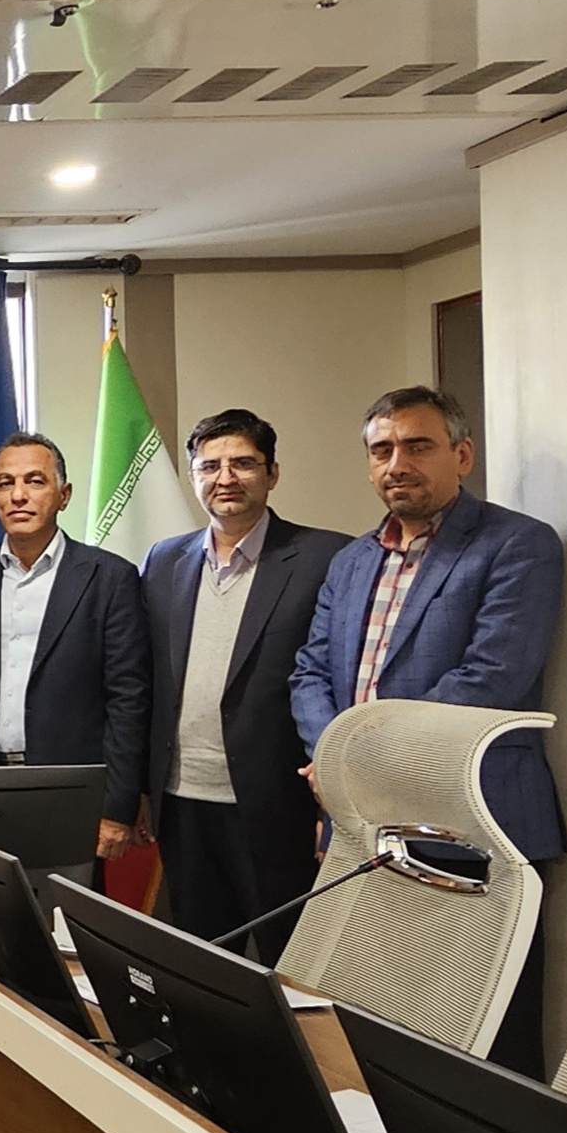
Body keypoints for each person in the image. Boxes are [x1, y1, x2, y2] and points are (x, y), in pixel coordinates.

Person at [291, 385, 565, 1075]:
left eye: (417, 446)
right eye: (381, 450)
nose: (397, 464)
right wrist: (331, 756)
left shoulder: (518, 545)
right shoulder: (352, 560)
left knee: (488, 1045)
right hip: (368, 828)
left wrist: (356, 764)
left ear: (462, 455)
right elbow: (310, 671)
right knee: (384, 1028)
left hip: (476, 824)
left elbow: (491, 678)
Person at [140, 411, 349, 960]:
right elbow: (147, 681)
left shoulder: (328, 557)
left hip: (278, 806)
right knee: (204, 959)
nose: (225, 478)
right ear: (193, 477)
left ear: (272, 473)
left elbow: (338, 677)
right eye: (209, 466)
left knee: (293, 963)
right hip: (182, 802)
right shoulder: (163, 560)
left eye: (243, 464)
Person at [0, 432, 149, 862]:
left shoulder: (109, 578)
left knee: (63, 903)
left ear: (64, 495)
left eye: (35, 481)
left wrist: (116, 807)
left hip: (68, 789)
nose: (18, 495)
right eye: (5, 483)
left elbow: (128, 700)